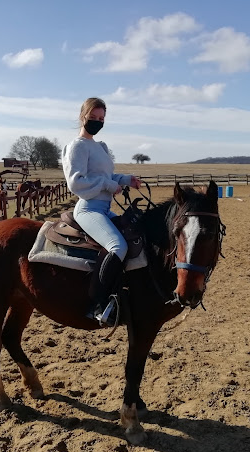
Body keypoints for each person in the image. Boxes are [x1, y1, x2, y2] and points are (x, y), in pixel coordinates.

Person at [62, 97, 141, 325]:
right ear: (83, 116)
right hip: (88, 210)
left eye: (101, 119)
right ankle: (96, 304)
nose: (97, 122)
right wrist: (108, 186)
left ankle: (120, 292)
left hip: (105, 209)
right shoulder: (76, 146)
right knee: (118, 246)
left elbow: (107, 177)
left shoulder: (101, 147)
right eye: (93, 117)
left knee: (134, 235)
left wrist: (126, 179)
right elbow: (76, 183)